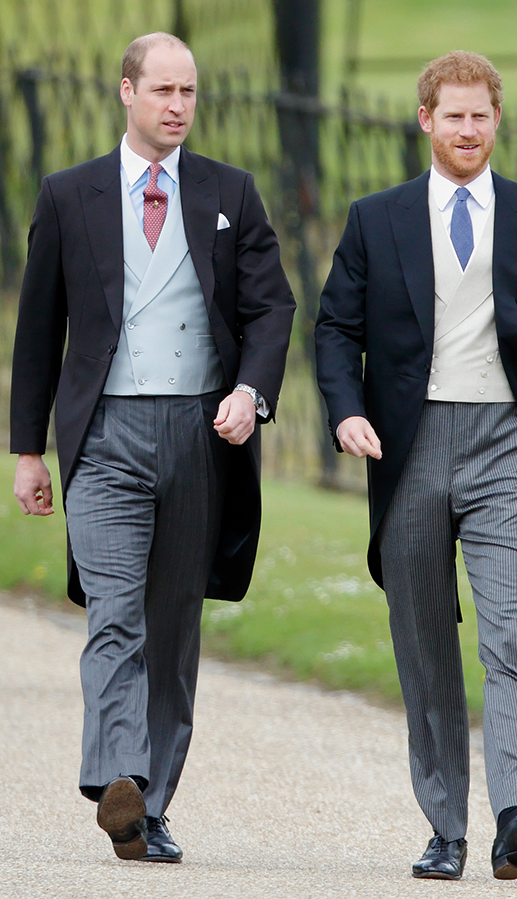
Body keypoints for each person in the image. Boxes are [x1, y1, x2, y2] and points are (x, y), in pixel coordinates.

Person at [11, 32, 295, 863]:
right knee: (114, 615)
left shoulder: (230, 193)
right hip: (103, 435)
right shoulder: (70, 195)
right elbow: (38, 332)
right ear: (126, 92)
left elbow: (272, 310)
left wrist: (250, 391)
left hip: (200, 434)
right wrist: (29, 450)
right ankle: (117, 774)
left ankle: (148, 807)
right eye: (163, 90)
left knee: (172, 629)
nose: (178, 105)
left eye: (190, 92)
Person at [315, 51, 517, 882]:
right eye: (454, 115)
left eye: (482, 115)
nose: (469, 129)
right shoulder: (377, 217)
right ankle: (445, 826)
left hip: (510, 443)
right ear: (425, 120)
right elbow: (334, 330)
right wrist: (347, 409)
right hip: (408, 448)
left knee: (508, 631)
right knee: (425, 641)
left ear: (496, 121)